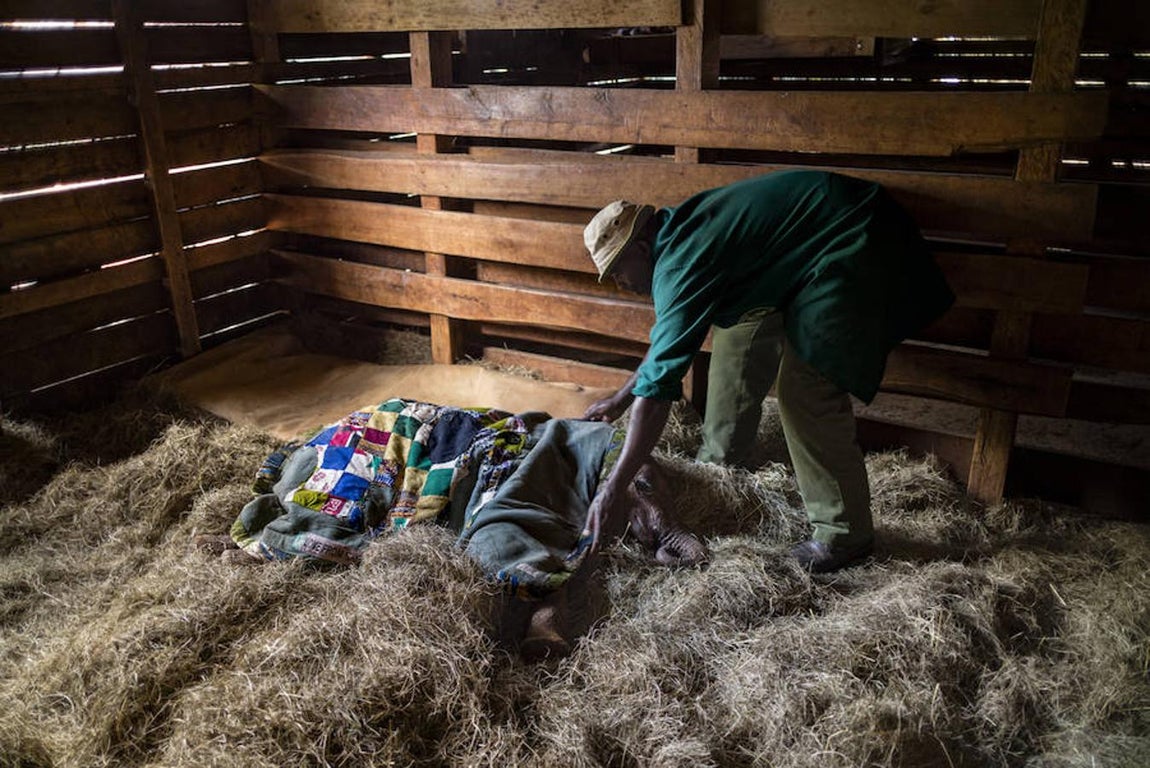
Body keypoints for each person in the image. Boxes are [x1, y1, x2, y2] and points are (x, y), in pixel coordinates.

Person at [581, 170, 955, 573]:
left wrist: (613, 488)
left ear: (641, 247)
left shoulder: (679, 262)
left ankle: (844, 536)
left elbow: (657, 395)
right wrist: (619, 400)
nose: (619, 283)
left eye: (617, 270)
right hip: (811, 248)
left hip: (855, 239)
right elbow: (663, 352)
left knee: (804, 390)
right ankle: (719, 467)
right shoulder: (678, 241)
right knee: (735, 335)